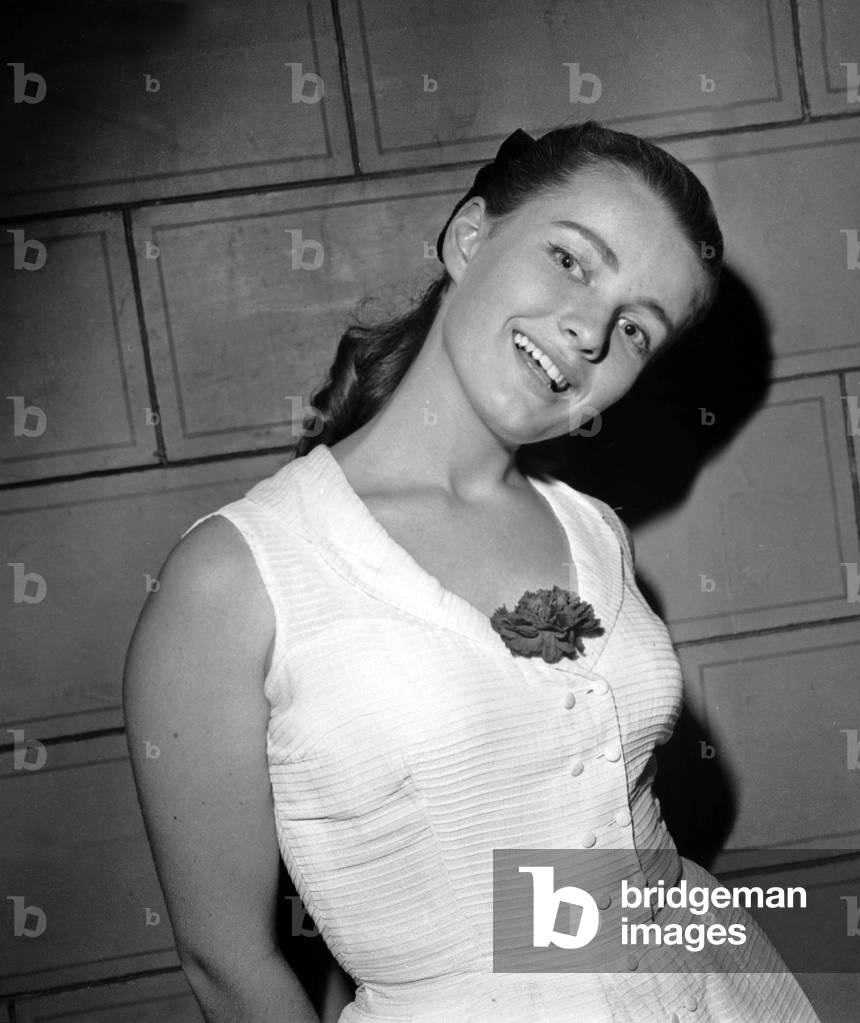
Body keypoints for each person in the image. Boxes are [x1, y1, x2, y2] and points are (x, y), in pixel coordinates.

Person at [123, 121, 820, 1022]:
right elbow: (225, 961)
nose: (589, 331)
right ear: (468, 237)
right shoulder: (236, 577)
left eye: (636, 328)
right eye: (570, 260)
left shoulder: (592, 529)